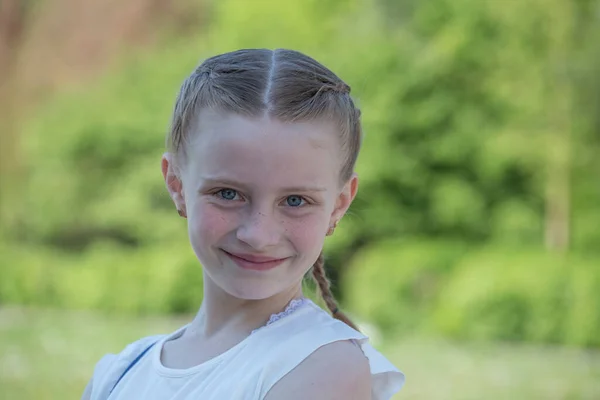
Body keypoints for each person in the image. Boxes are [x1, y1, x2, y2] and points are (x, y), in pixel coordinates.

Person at [82, 48, 405, 400]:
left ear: (338, 205)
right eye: (227, 194)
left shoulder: (323, 367)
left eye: (296, 201)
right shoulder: (120, 373)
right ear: (176, 183)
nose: (258, 235)